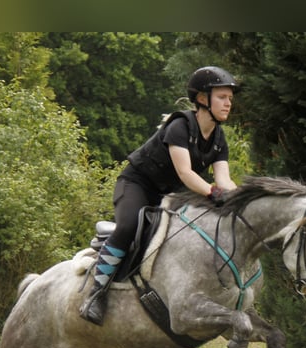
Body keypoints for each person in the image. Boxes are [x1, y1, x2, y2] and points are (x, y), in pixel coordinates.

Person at [79, 66, 240, 325]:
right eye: (222, 97)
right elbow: (186, 173)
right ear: (202, 99)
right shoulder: (179, 126)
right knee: (130, 225)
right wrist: (213, 192)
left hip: (169, 196)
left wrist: (239, 199)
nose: (228, 103)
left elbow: (224, 179)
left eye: (230, 98)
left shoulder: (218, 138)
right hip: (136, 185)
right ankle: (96, 294)